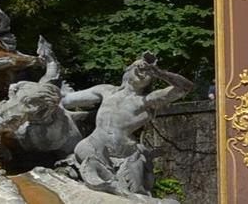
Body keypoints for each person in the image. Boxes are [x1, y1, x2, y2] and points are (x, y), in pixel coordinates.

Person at [60, 53, 192, 199]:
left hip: (125, 153)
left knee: (133, 192)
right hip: (92, 146)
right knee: (86, 157)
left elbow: (184, 87)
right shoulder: (106, 90)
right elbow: (67, 100)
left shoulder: (147, 100)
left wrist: (159, 72)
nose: (143, 73)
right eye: (139, 68)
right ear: (127, 72)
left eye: (148, 73)